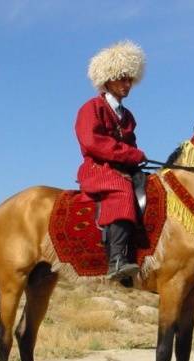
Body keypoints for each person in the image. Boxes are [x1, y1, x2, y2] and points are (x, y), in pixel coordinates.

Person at [75, 40, 147, 281]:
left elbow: (131, 146)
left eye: (130, 79)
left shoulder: (127, 116)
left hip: (122, 168)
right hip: (97, 168)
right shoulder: (91, 108)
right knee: (121, 190)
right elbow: (92, 143)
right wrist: (131, 155)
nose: (128, 85)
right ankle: (116, 260)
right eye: (122, 79)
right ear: (108, 79)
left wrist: (136, 159)